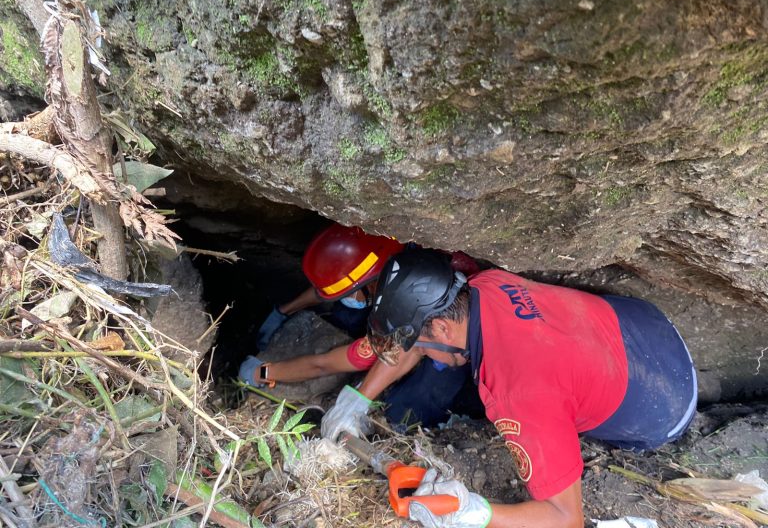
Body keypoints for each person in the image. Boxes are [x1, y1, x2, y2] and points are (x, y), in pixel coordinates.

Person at [363, 250, 697, 528]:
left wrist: (475, 512)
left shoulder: (516, 394)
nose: (416, 349)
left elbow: (567, 519)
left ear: (441, 327)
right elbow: (424, 341)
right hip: (647, 324)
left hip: (667, 409)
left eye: (417, 342)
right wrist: (359, 398)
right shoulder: (484, 284)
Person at [238, 224, 481, 432]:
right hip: (424, 319)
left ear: (376, 282)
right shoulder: (402, 258)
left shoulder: (410, 309)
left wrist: (263, 373)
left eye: (353, 291)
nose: (349, 296)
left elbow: (324, 363)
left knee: (404, 410)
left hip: (456, 350)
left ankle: (450, 416)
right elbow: (331, 291)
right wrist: (284, 310)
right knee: (348, 311)